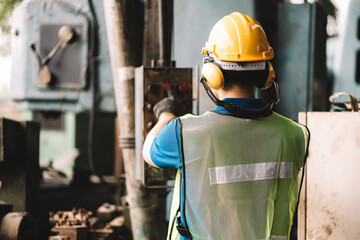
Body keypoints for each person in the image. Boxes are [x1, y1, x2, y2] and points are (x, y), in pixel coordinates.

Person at [142, 12, 309, 240]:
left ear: (212, 75)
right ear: (266, 74)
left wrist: (165, 114)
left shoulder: (182, 132)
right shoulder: (295, 134)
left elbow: (148, 151)